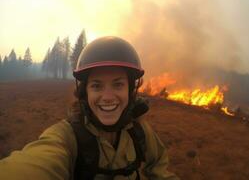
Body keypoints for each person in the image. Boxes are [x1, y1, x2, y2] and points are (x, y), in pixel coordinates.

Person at [0, 36, 179, 180]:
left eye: (118, 85)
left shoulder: (140, 131)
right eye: (96, 86)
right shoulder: (66, 137)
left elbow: (159, 169)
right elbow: (34, 164)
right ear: (84, 92)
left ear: (130, 90)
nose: (108, 97)